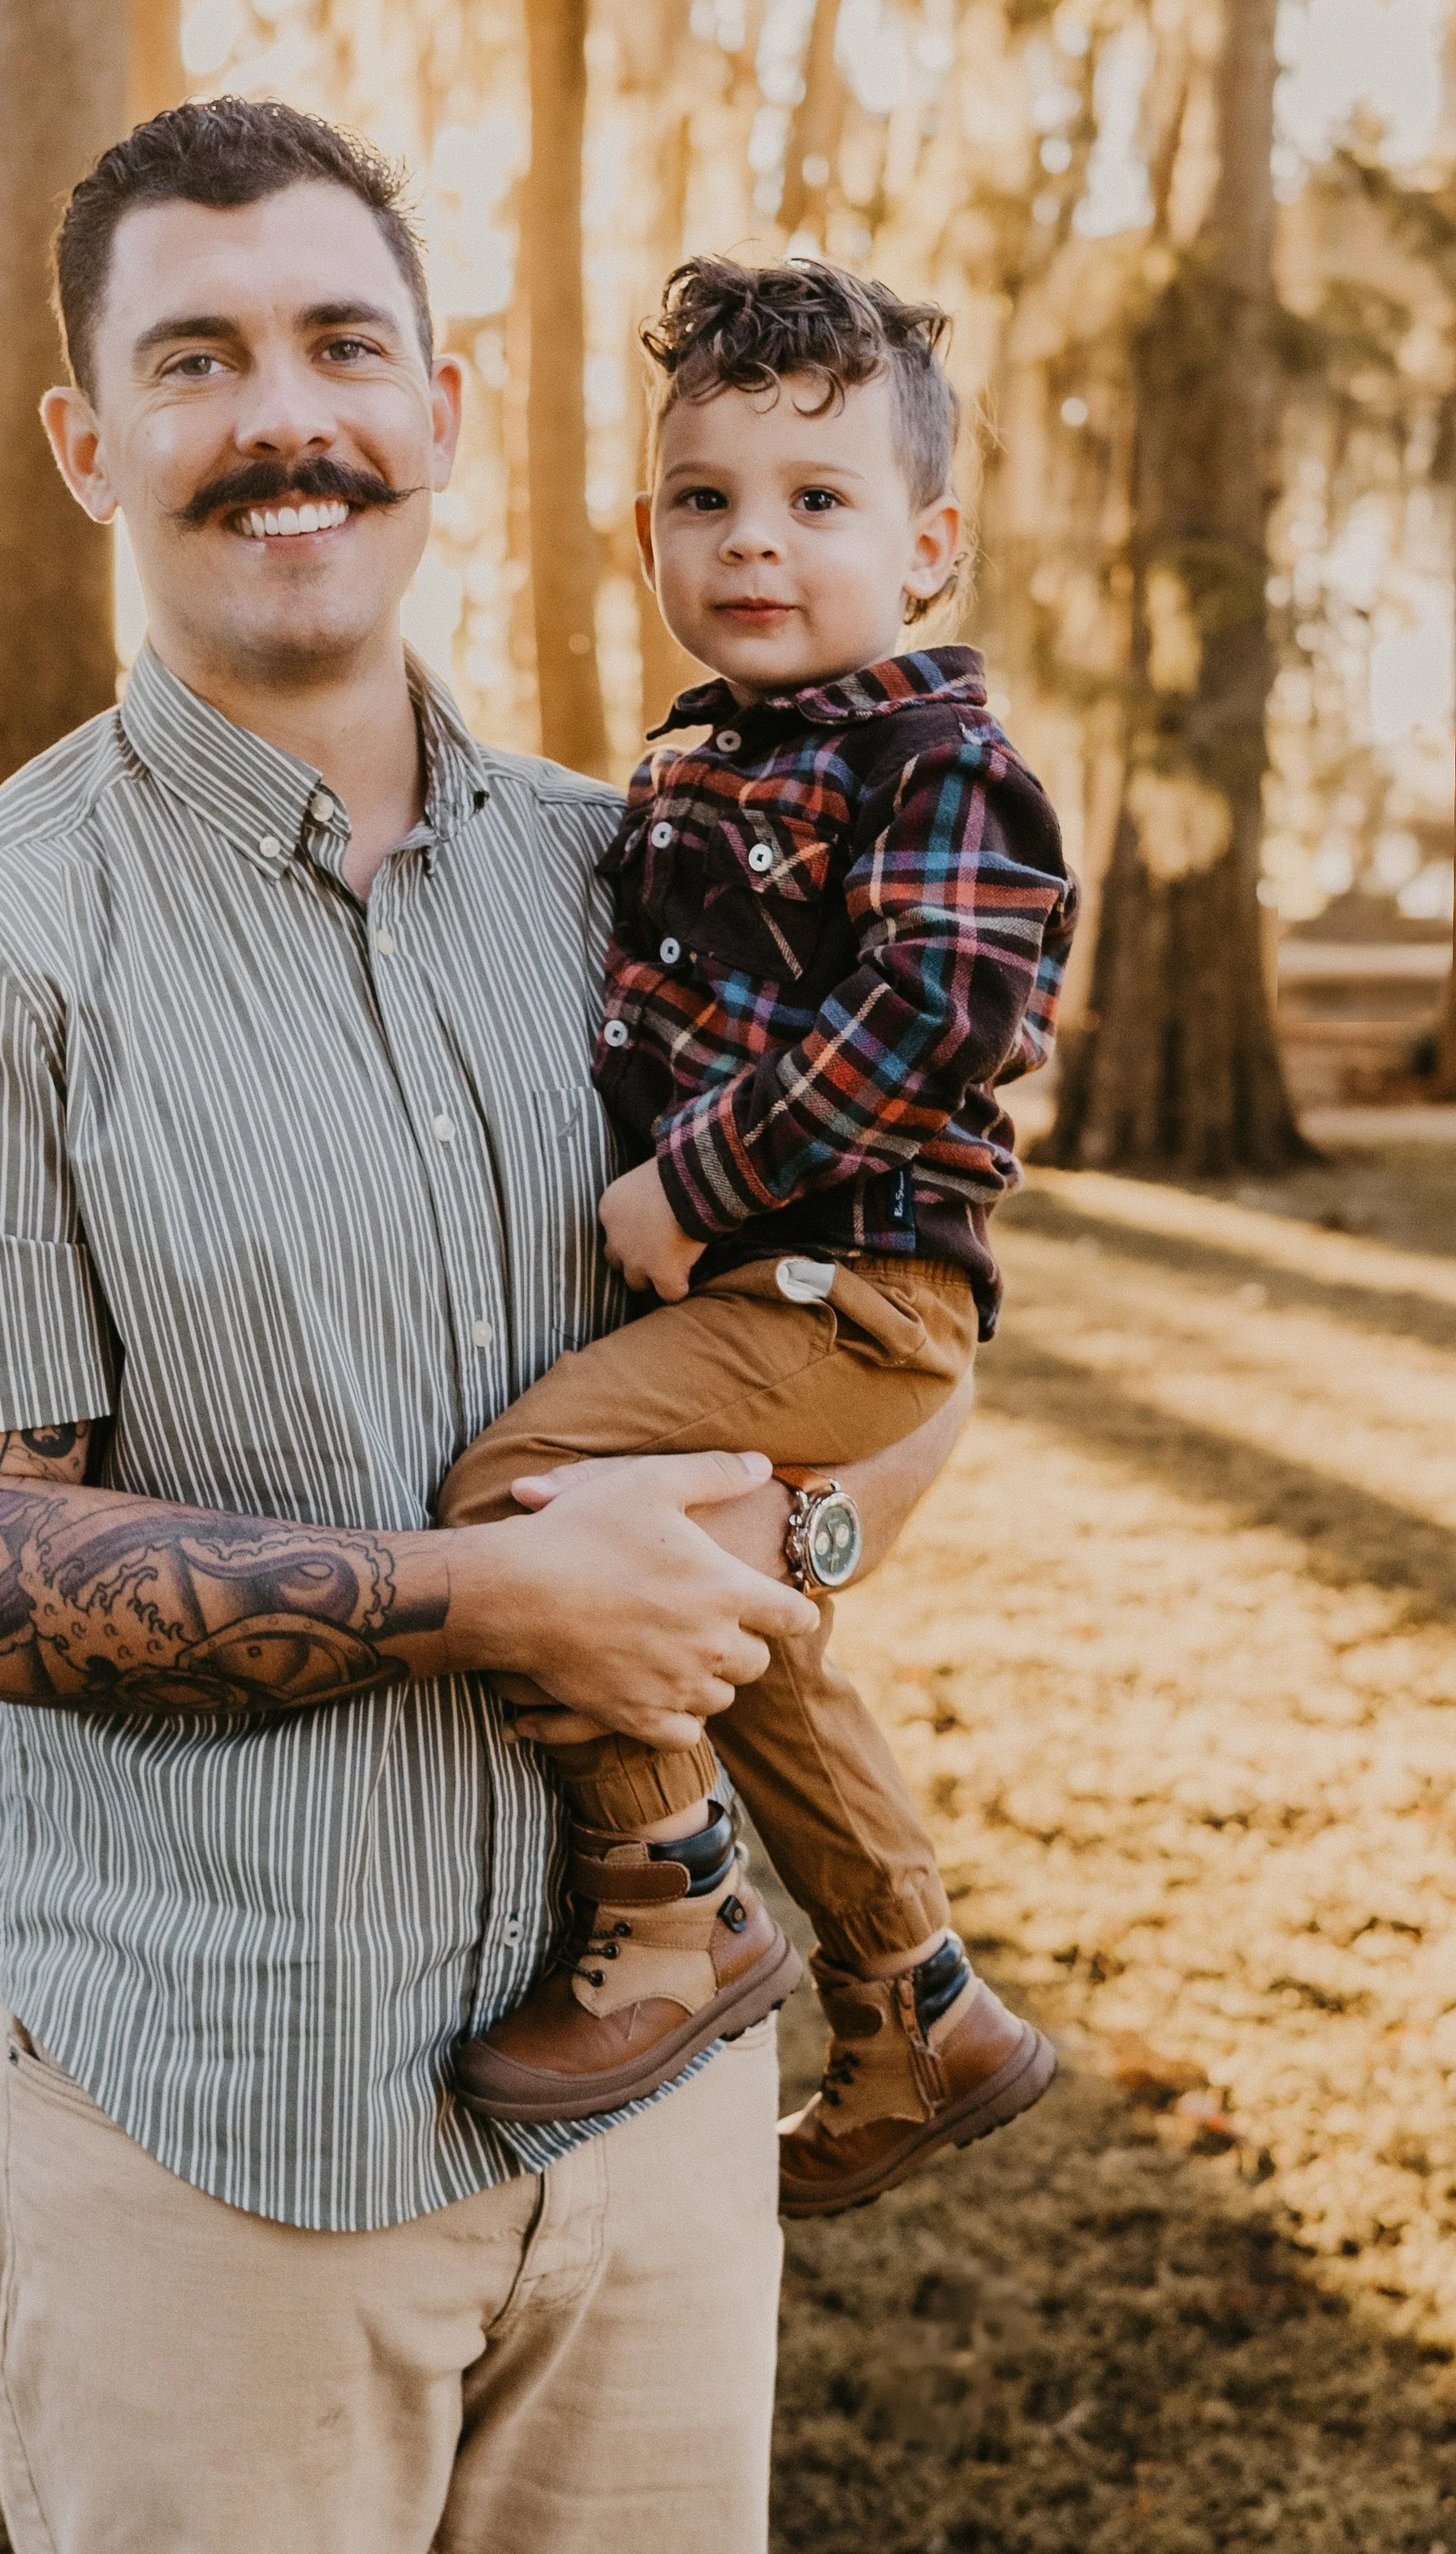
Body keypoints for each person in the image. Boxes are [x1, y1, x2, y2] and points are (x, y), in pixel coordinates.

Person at [0, 98, 966, 2554]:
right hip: (220, 2145)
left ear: (440, 401)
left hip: (658, 2144)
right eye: (195, 358)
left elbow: (881, 1329)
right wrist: (495, 1595)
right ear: (86, 439)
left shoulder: (653, 871)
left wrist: (794, 1551)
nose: (280, 414)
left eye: (338, 341)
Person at [439, 259, 1078, 2221]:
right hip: (768, 1298)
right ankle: (924, 2003)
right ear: (643, 533)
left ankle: (673, 1910)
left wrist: (694, 1183)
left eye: (815, 502)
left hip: (843, 1288)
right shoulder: (692, 760)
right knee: (727, 1624)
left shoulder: (929, 762)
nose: (752, 543)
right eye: (703, 499)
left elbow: (948, 1009)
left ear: (927, 545)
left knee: (524, 1489)